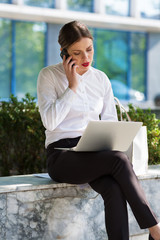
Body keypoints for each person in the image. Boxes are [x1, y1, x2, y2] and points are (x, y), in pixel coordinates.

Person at [37, 20, 160, 240]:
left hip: (93, 152)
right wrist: (72, 86)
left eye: (89, 50)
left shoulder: (101, 79)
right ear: (63, 53)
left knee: (113, 187)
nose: (86, 58)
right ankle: (155, 229)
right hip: (62, 157)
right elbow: (50, 122)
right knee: (119, 160)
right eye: (77, 52)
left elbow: (110, 122)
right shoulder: (49, 76)